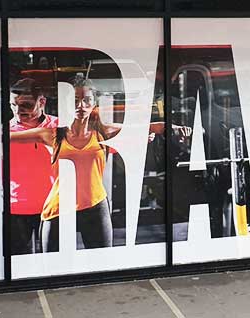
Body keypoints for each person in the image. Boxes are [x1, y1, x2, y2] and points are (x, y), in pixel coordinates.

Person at [11, 77, 186, 251]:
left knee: (102, 263)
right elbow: (6, 136)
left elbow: (149, 126)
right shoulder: (51, 133)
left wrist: (176, 128)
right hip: (59, 207)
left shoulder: (104, 131)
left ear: (94, 103)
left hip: (94, 206)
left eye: (86, 100)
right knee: (54, 269)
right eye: (75, 100)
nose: (81, 106)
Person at [9, 78, 58, 255]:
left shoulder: (58, 127)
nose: (18, 111)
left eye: (26, 105)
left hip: (53, 207)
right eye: (13, 105)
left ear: (42, 102)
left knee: (54, 264)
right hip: (16, 208)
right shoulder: (5, 132)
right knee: (20, 265)